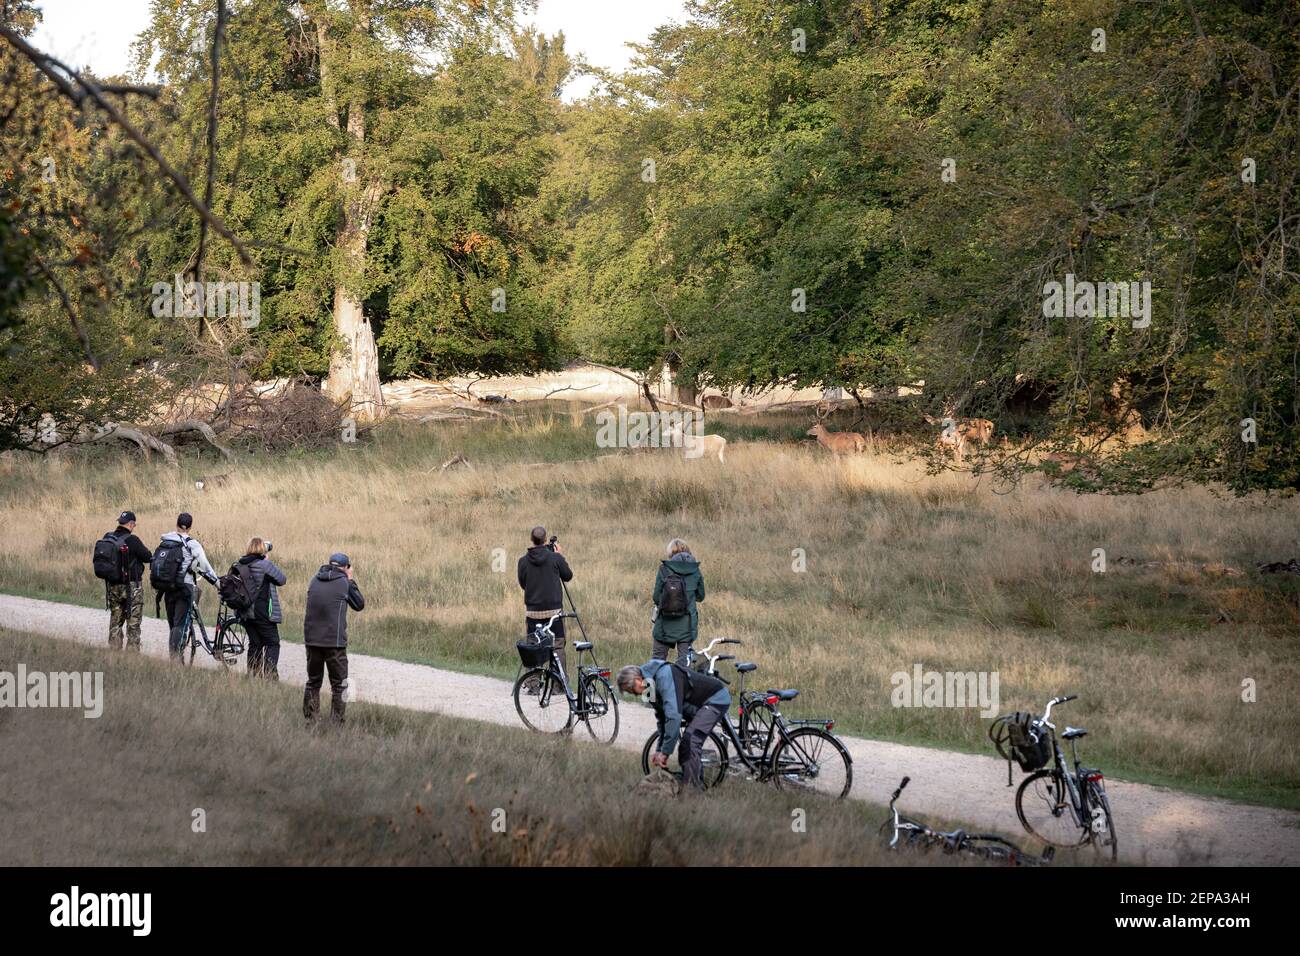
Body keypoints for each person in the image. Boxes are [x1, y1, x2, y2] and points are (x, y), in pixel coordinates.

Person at [617, 658, 730, 791]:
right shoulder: (647, 685)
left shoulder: (664, 675)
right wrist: (660, 749)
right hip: (696, 706)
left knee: (690, 741)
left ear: (637, 679)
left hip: (715, 699)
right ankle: (693, 785)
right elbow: (662, 717)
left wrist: (665, 752)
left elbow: (673, 716)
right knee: (686, 745)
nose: (634, 694)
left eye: (631, 690)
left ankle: (692, 794)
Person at [303, 552, 364, 724]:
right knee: (341, 684)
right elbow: (359, 604)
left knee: (313, 682)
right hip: (334, 642)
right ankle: (337, 723)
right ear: (345, 568)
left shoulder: (314, 579)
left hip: (312, 639)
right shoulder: (344, 582)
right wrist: (351, 580)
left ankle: (311, 721)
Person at [157, 512, 219, 662]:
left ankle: (174, 657)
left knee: (172, 624)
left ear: (176, 524)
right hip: (185, 588)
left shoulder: (166, 540)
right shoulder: (193, 544)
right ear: (190, 527)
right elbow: (206, 567)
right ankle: (176, 660)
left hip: (167, 587)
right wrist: (219, 584)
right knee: (180, 624)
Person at [517, 526, 573, 673]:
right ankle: (558, 682)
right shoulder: (555, 558)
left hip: (533, 612)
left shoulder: (522, 561)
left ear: (531, 540)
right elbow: (568, 576)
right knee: (558, 645)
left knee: (533, 644)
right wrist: (560, 556)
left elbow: (524, 585)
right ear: (545, 539)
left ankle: (533, 683)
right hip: (554, 611)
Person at [233, 537, 287, 680]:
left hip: (244, 612)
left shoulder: (240, 564)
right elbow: (282, 579)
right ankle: (270, 676)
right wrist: (267, 561)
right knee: (273, 643)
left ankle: (252, 676)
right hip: (261, 612)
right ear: (262, 549)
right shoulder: (264, 565)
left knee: (255, 643)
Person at [103, 510, 152, 650]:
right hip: (131, 588)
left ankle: (114, 651)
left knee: (115, 621)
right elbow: (148, 557)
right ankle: (132, 654)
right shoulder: (133, 540)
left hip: (113, 586)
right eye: (134, 525)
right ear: (131, 524)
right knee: (133, 622)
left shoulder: (108, 537)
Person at [651, 538, 705, 665]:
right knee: (684, 664)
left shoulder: (664, 569)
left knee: (656, 662)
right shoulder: (695, 571)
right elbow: (701, 596)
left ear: (670, 554)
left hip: (664, 625)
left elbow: (656, 598)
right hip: (687, 625)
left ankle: (654, 684)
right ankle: (680, 684)